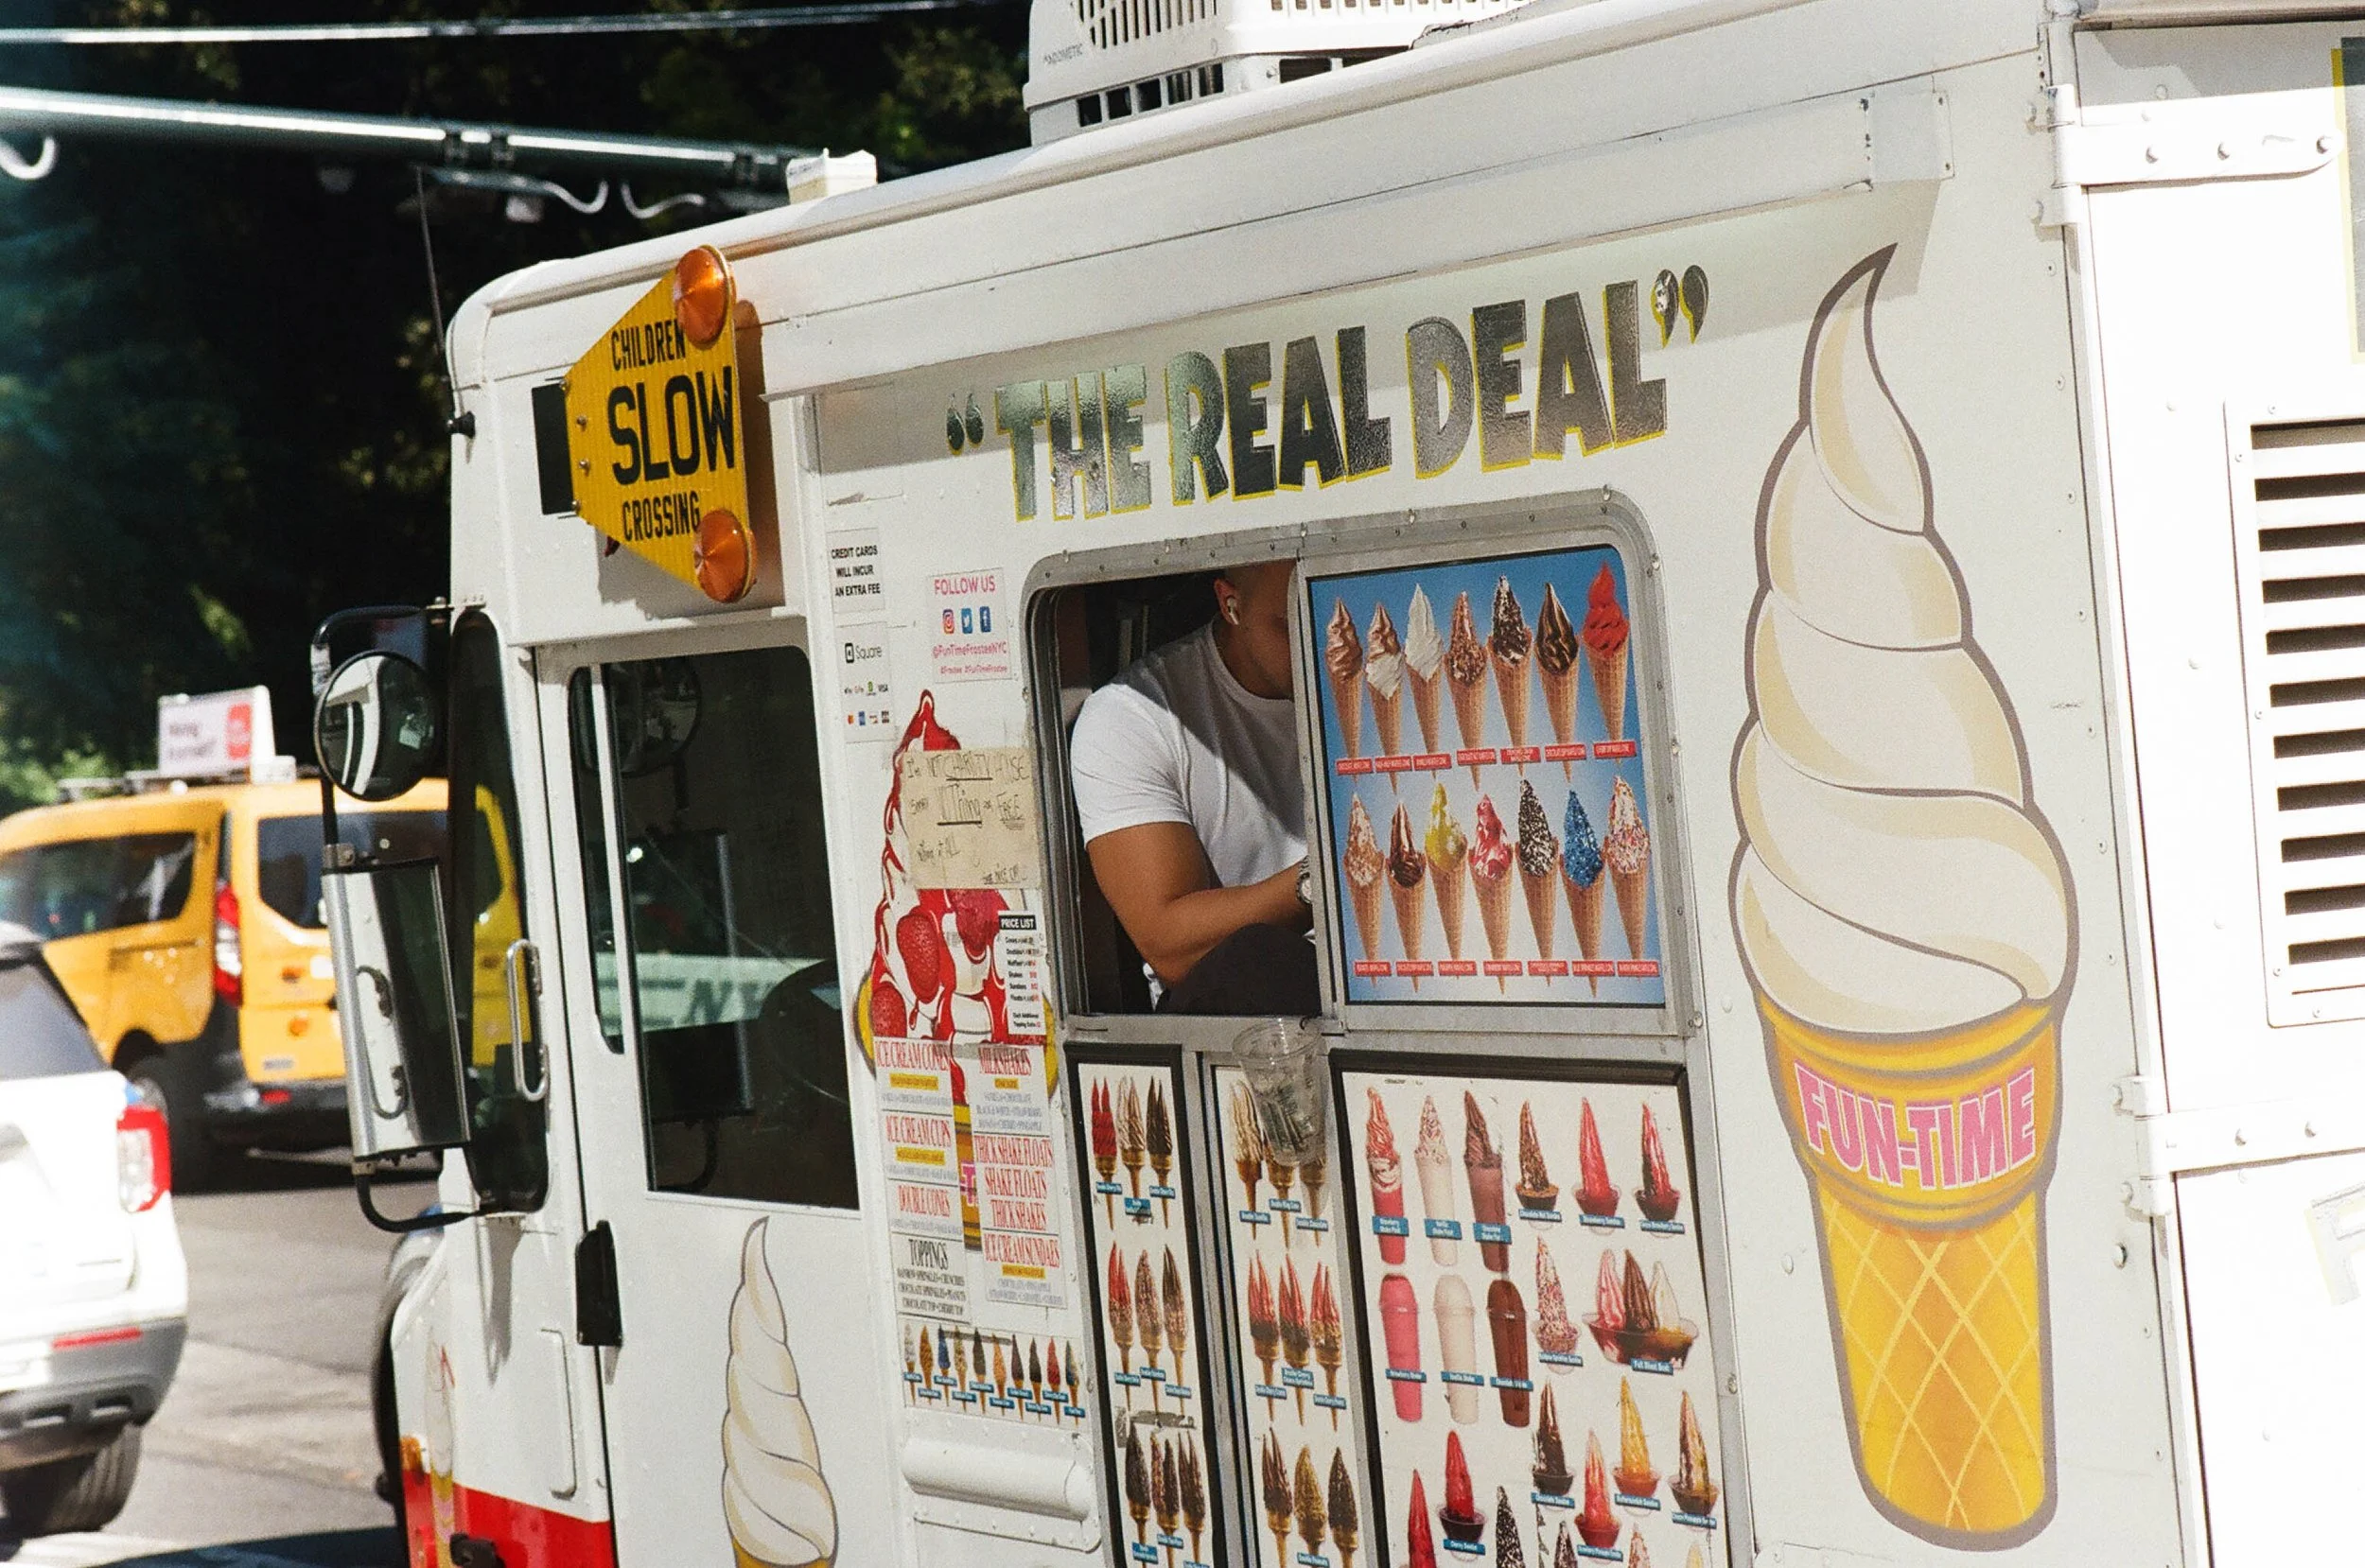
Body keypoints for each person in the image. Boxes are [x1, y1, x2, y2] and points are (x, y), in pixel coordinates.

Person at [1069, 561, 1319, 1015]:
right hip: (1244, 1011)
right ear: (1230, 604)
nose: (1321, 645)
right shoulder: (1134, 717)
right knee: (1258, 962)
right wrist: (1321, 882)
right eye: (1293, 626)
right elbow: (1170, 944)